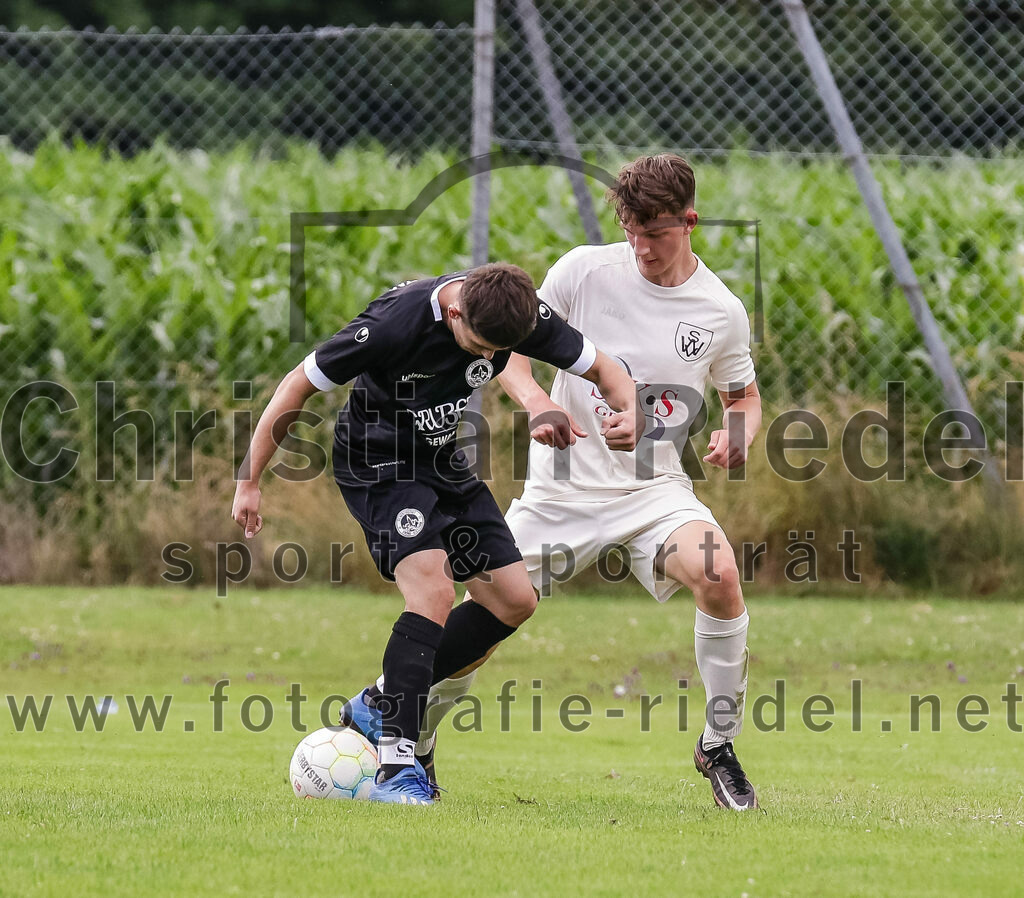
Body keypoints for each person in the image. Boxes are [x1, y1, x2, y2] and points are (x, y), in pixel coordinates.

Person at [417, 154, 763, 811]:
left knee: (719, 575)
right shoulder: (583, 270)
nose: (641, 248)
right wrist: (538, 405)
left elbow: (742, 397)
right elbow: (509, 357)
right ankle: (417, 743)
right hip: (559, 494)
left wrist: (736, 433)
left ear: (688, 222)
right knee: (484, 615)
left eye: (654, 234)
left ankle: (718, 745)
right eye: (630, 231)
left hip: (653, 495)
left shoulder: (720, 310)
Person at [231, 262, 639, 805]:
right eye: (478, 344)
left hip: (442, 464)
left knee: (515, 600)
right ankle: (396, 767)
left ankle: (379, 701)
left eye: (497, 351)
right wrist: (250, 480)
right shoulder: (392, 325)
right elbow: (293, 390)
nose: (484, 358)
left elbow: (606, 368)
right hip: (377, 465)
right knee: (432, 591)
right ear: (454, 311)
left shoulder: (512, 311)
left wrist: (627, 411)